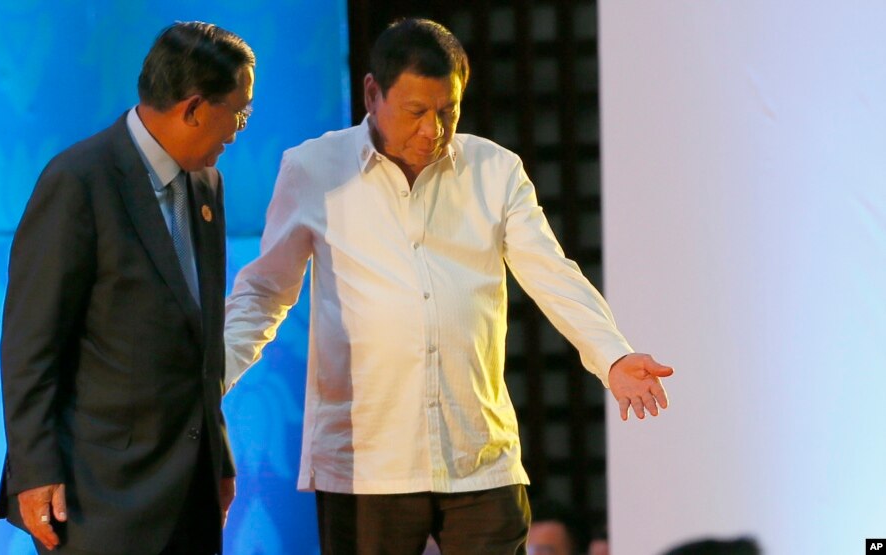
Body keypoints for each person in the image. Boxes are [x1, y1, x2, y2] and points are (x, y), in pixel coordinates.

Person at [224, 17, 672, 555]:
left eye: (448, 111)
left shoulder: (495, 170)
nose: (432, 131)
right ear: (372, 93)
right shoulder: (314, 169)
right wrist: (212, 378)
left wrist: (613, 357)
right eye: (415, 112)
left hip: (479, 458)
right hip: (367, 465)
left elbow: (551, 272)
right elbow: (264, 292)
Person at [0, 22, 255, 555]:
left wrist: (219, 458)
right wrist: (35, 470)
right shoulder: (79, 182)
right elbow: (30, 344)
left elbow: (201, 342)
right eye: (239, 111)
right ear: (195, 108)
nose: (238, 129)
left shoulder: (206, 182)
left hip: (191, 488)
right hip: (101, 494)